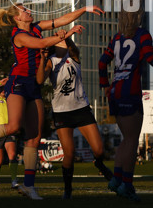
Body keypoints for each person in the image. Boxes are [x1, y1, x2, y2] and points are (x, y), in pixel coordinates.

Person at [0, 4, 103, 200]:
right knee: (13, 126)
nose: (29, 10)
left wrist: (84, 9)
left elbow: (61, 20)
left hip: (33, 85)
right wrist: (66, 34)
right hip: (18, 82)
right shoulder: (18, 35)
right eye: (24, 10)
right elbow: (42, 44)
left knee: (34, 137)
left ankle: (29, 186)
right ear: (18, 18)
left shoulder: (36, 26)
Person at [99, 3, 153, 202]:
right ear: (138, 16)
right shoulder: (142, 34)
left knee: (125, 139)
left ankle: (117, 180)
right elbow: (150, 57)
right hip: (130, 91)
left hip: (116, 92)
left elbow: (102, 62)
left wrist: (105, 86)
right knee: (131, 141)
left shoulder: (117, 37)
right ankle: (126, 185)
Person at [37, 34, 113, 199]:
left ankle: (98, 163)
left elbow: (69, 43)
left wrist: (68, 34)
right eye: (57, 40)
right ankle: (68, 188)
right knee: (69, 154)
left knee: (99, 150)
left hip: (81, 109)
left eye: (63, 40)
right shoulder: (51, 61)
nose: (61, 41)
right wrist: (42, 59)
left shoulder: (73, 57)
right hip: (62, 112)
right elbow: (40, 80)